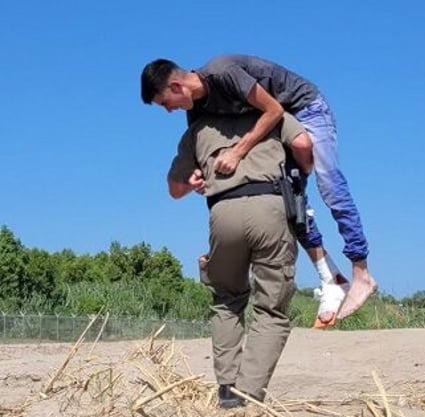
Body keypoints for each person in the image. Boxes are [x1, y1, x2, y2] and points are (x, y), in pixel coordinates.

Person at [141, 55, 377, 325]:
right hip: (279, 125)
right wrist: (197, 176)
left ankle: (361, 273)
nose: (169, 111)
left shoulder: (222, 73)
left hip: (304, 109)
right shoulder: (197, 110)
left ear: (176, 86)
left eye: (165, 104)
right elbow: (203, 149)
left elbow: (274, 110)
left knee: (330, 184)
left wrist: (238, 152)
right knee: (287, 201)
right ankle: (331, 278)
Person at [167, 110, 305, 408]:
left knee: (226, 300)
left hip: (223, 211)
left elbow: (175, 189)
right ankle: (249, 395)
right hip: (270, 206)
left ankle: (228, 391)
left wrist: (195, 178)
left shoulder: (198, 129)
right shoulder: (273, 115)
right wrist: (303, 173)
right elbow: (304, 145)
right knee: (271, 308)